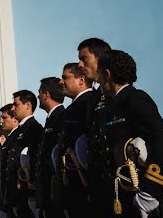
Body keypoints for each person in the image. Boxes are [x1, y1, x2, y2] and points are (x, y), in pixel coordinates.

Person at [97, 50, 163, 218]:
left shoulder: (135, 99)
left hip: (150, 203)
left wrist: (149, 194)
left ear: (107, 74)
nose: (97, 81)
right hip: (126, 200)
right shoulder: (113, 106)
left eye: (99, 75)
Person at [77, 37, 112, 217]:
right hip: (103, 194)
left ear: (100, 58)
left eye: (84, 59)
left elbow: (162, 144)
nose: (79, 64)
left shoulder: (125, 96)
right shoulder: (94, 99)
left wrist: (148, 193)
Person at [54, 63, 94, 217]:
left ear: (81, 80)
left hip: (87, 187)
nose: (60, 82)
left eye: (65, 78)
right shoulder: (73, 108)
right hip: (72, 187)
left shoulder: (90, 102)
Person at [5, 90, 42, 218]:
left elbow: (32, 157)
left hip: (26, 192)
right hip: (16, 194)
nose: (13, 109)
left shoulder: (33, 127)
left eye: (16, 105)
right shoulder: (19, 130)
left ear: (28, 105)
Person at [36, 77, 66, 218]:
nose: (38, 96)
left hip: (57, 188)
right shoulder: (50, 118)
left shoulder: (61, 116)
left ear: (46, 95)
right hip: (48, 190)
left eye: (40, 92)